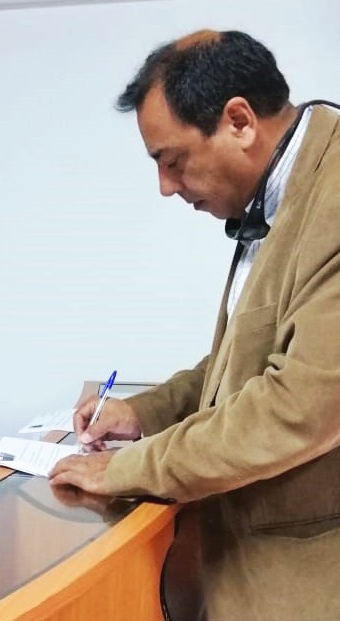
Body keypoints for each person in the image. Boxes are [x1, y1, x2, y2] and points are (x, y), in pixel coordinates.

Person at [48, 30, 340, 621]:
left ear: (239, 122)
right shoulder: (282, 191)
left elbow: (301, 405)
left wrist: (125, 468)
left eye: (172, 160)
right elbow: (246, 356)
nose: (165, 187)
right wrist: (144, 412)